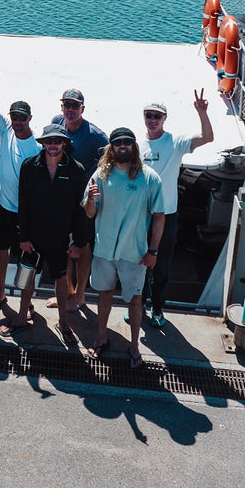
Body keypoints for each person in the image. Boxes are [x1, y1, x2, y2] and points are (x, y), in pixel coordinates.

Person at [84, 127, 164, 369]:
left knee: (135, 300)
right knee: (104, 294)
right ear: (111, 147)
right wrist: (89, 198)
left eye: (127, 143)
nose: (122, 146)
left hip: (135, 254)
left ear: (134, 146)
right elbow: (90, 213)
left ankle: (134, 346)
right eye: (117, 143)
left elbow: (159, 216)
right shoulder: (100, 175)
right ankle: (101, 336)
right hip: (104, 251)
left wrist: (153, 251)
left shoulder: (150, 178)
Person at [6, 125, 88, 342]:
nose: (53, 145)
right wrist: (23, 236)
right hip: (32, 236)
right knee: (28, 276)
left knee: (60, 279)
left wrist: (79, 241)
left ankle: (63, 322)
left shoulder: (76, 170)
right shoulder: (29, 166)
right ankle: (22, 316)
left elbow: (81, 209)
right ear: (43, 143)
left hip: (60, 237)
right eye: (49, 141)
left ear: (64, 143)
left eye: (57, 141)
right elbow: (22, 203)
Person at [138, 90, 213, 327]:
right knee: (137, 265)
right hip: (140, 216)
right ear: (144, 117)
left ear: (164, 118)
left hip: (167, 216)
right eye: (149, 115)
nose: (152, 120)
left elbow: (207, 138)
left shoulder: (175, 142)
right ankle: (137, 306)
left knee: (162, 266)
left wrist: (202, 113)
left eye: (157, 116)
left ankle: (157, 309)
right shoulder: (136, 145)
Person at [0, 55, 39, 315]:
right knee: (0, 252)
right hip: (2, 205)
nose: (16, 121)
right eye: (14, 116)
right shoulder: (5, 130)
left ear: (30, 118)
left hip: (25, 214)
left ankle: (26, 303)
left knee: (28, 260)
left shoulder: (37, 149)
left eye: (21, 117)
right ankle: (1, 292)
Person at [49, 88, 109, 311]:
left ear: (83, 108)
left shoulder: (95, 135)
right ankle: (67, 293)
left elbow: (108, 160)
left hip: (83, 202)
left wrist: (94, 184)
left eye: (75, 106)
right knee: (63, 247)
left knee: (83, 249)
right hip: (59, 199)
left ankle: (81, 295)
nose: (70, 110)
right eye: (67, 105)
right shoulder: (57, 122)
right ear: (61, 106)